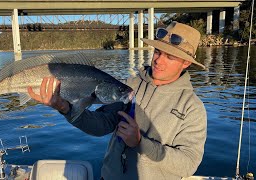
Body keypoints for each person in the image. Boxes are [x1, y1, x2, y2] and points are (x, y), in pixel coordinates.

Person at [27, 21, 207, 180]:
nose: (158, 60)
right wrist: (66, 108)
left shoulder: (192, 108)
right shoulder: (130, 86)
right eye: (158, 52)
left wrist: (139, 143)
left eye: (170, 57)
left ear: (186, 63)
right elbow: (101, 126)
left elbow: (188, 163)